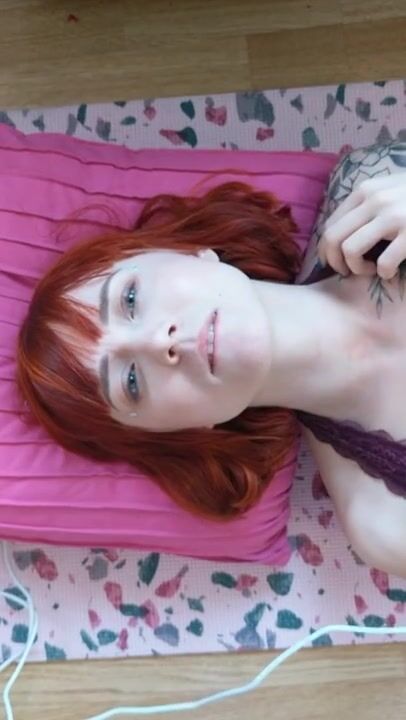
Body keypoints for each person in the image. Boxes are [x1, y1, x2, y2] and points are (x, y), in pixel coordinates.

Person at [17, 142, 406, 579]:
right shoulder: (385, 521)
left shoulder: (370, 187)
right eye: (131, 382)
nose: (157, 342)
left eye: (130, 299)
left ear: (188, 251)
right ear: (183, 431)